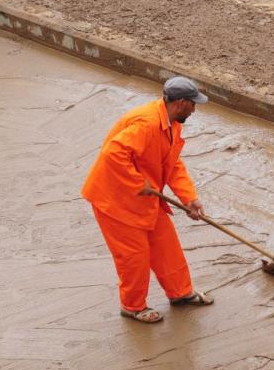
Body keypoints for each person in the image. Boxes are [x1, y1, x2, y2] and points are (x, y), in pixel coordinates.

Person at [82, 76, 214, 323]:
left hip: (145, 199)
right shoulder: (147, 124)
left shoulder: (171, 124)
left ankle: (180, 293)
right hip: (116, 202)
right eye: (193, 104)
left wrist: (189, 198)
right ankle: (132, 307)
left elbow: (172, 164)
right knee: (134, 257)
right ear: (181, 103)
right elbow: (112, 154)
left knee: (167, 246)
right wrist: (136, 182)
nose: (195, 109)